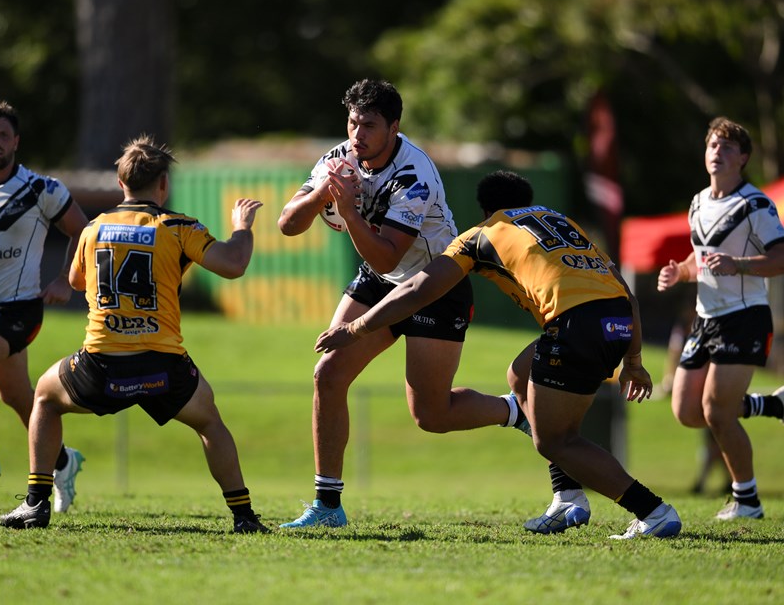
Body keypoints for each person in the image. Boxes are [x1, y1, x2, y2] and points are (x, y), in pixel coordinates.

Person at [316, 170, 681, 539]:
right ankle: (568, 498)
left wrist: (354, 329)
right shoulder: (561, 222)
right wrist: (633, 361)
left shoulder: (481, 235)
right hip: (615, 319)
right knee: (521, 376)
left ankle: (652, 511)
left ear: (486, 209)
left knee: (556, 440)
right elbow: (628, 295)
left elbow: (417, 288)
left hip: (576, 325)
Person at [277, 79, 526, 528]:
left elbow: (388, 251)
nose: (357, 135)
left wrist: (349, 211)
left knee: (431, 415)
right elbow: (287, 225)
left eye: (369, 126)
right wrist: (321, 195)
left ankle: (514, 410)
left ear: (394, 127)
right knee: (328, 374)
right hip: (382, 278)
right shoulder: (339, 158)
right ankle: (327, 507)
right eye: (353, 123)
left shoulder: (414, 176)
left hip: (437, 283)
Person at [0, 135, 268, 533]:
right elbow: (233, 264)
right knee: (209, 423)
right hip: (162, 366)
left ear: (120, 182)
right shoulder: (178, 226)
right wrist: (241, 227)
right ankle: (244, 517)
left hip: (101, 364)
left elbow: (75, 281)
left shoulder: (94, 228)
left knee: (44, 397)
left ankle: (36, 504)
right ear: (163, 184)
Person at [0, 100, 89, 511]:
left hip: (20, 309)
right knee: (18, 399)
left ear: (16, 141)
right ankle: (62, 461)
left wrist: (66, 279)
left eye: (3, 135)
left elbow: (83, 231)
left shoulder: (41, 189)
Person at [657, 116, 784, 520]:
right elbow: (703, 258)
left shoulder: (755, 204)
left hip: (745, 317)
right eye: (714, 145)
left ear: (743, 158)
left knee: (716, 412)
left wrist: (740, 265)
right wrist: (680, 271)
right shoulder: (698, 202)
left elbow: (780, 257)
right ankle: (770, 405)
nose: (718, 152)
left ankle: (747, 501)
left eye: (728, 147)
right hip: (705, 318)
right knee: (687, 412)